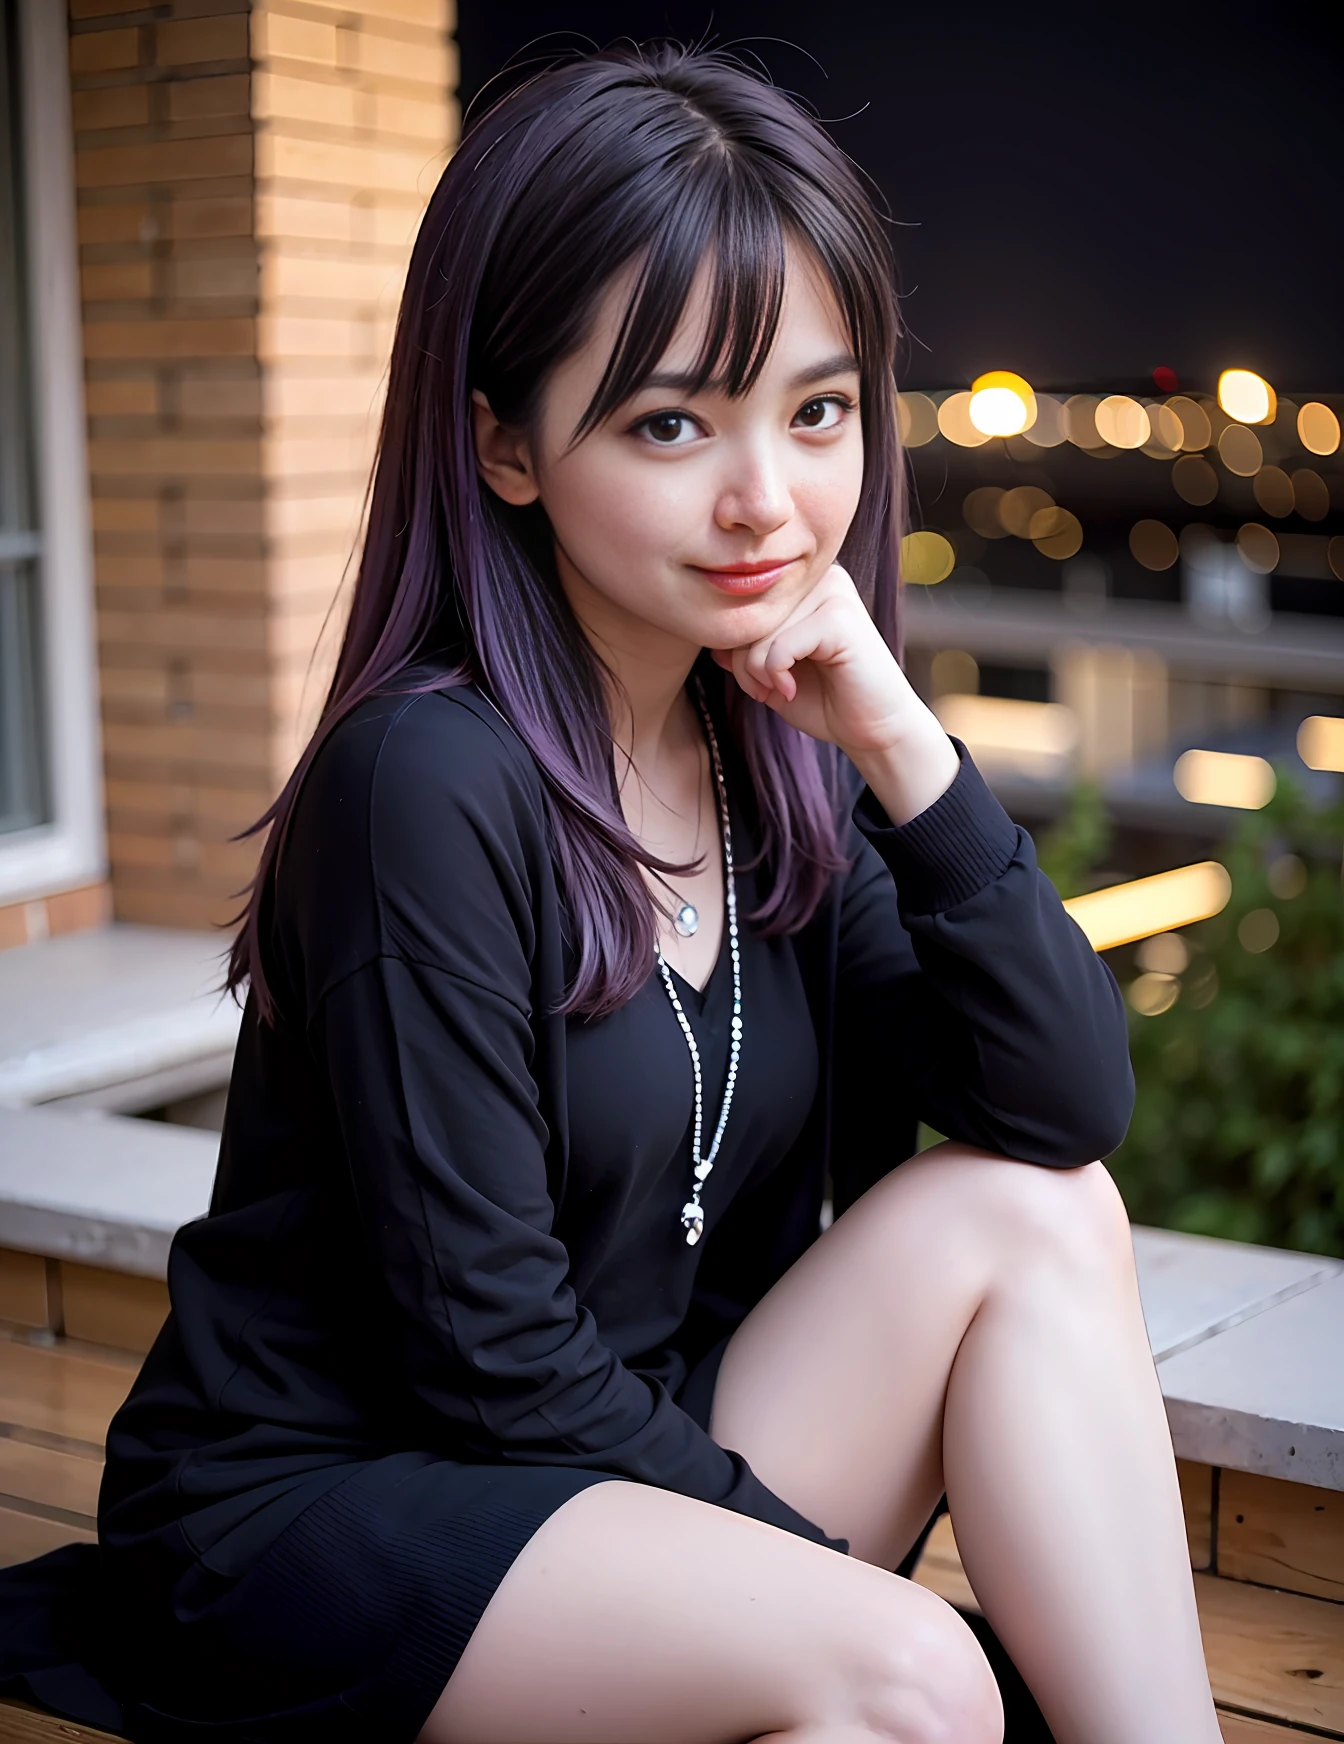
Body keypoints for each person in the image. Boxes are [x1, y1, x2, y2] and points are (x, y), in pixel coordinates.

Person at [0, 39, 1223, 1744]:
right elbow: (489, 1359)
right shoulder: (423, 783)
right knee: (913, 1677)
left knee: (1041, 1219)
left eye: (815, 412)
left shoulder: (774, 748)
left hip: (611, 1457)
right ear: (504, 447)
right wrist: (841, 1590)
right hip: (335, 1511)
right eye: (669, 423)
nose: (768, 503)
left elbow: (1062, 1102)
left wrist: (901, 745)